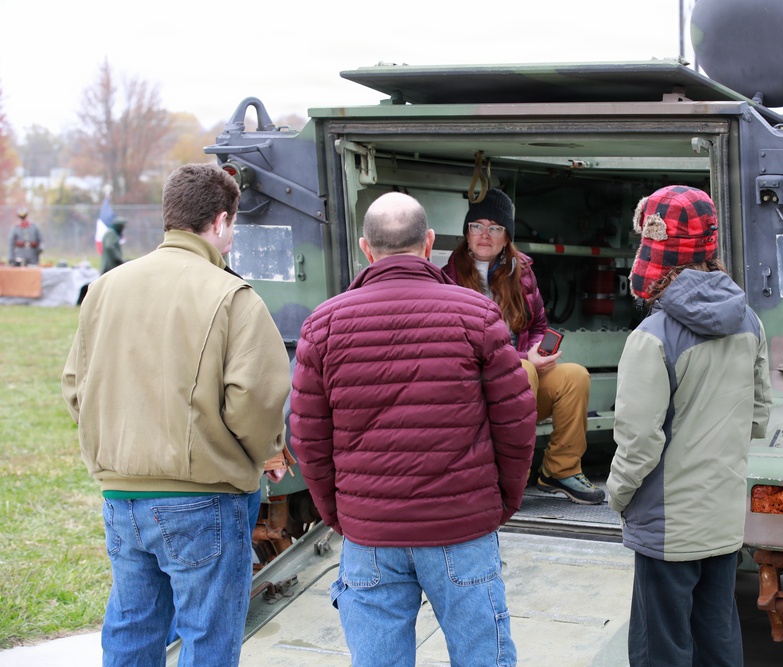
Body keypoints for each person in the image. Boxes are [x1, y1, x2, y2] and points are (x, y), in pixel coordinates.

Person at [290, 191, 536, 666]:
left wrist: (342, 515)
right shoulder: (476, 315)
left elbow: (308, 440)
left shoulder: (322, 325)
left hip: (370, 532)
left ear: (366, 248)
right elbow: (516, 423)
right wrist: (501, 502)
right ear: (428, 244)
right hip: (462, 526)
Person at [61, 163, 290, 667]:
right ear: (220, 222)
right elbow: (255, 398)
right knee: (208, 636)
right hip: (202, 499)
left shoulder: (104, 288)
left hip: (121, 496)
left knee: (132, 625)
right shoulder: (232, 295)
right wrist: (269, 453)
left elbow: (76, 387)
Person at [607, 185, 772, 667]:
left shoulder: (651, 337)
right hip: (721, 518)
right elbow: (759, 416)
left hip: (666, 525)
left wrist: (616, 496)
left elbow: (638, 442)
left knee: (662, 649)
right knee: (718, 638)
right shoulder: (750, 323)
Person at [443, 188, 604, 504]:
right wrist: (520, 358)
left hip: (519, 383)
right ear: (467, 233)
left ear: (507, 238)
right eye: (477, 226)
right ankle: (504, 477)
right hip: (471, 394)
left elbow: (539, 325)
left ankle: (560, 471)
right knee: (525, 369)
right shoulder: (447, 279)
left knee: (575, 377)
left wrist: (536, 351)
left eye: (495, 228)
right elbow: (454, 344)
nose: (485, 235)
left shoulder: (522, 272)